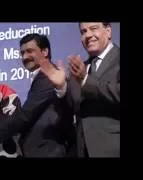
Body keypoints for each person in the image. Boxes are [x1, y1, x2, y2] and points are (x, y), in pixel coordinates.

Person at [0, 33, 76, 157]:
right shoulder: (40, 77)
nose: (25, 57)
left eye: (30, 51)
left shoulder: (48, 78)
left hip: (50, 150)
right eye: (22, 53)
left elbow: (25, 116)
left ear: (45, 51)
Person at [41, 22, 120, 157]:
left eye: (93, 29)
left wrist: (85, 80)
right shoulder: (80, 69)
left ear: (108, 31)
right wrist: (62, 88)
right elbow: (72, 109)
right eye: (83, 32)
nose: (88, 35)